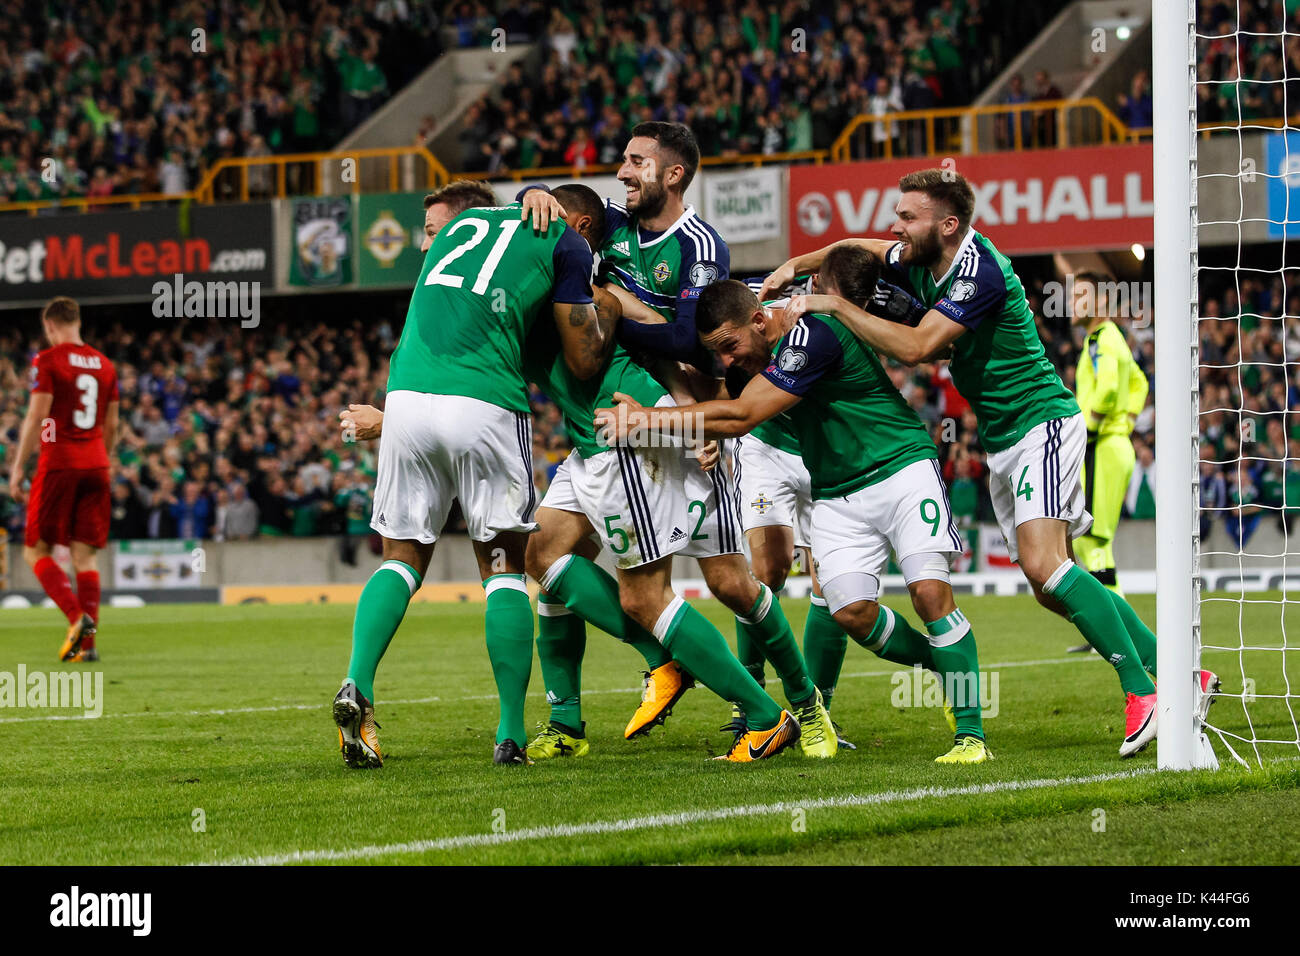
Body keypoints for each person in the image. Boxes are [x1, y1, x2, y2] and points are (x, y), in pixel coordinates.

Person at [762, 169, 1220, 756]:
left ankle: (1144, 694)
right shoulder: (918, 256)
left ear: (947, 225)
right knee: (1051, 586)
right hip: (1005, 439)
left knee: (1044, 564)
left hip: (1041, 422)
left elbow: (916, 348)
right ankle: (1181, 675)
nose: (895, 227)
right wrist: (797, 264)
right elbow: (860, 251)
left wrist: (828, 301)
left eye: (908, 216)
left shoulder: (977, 269)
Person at [597, 256, 990, 764]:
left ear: (759, 321)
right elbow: (728, 401)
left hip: (899, 467)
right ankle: (941, 665)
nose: (729, 361)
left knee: (930, 594)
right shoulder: (753, 328)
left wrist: (647, 421)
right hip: (835, 483)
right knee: (850, 611)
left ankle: (972, 735)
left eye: (732, 348)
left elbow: (741, 413)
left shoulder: (812, 332)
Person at [520, 122, 830, 759]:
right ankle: (573, 719)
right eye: (623, 161)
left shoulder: (697, 242)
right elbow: (566, 212)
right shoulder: (610, 221)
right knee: (543, 555)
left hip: (677, 424)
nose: (623, 173)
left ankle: (798, 708)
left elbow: (692, 340)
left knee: (729, 585)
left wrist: (613, 307)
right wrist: (533, 193)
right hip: (631, 418)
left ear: (674, 174)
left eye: (636, 163)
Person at [332, 180, 615, 769]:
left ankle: (358, 683)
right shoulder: (561, 237)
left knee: (400, 560)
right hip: (486, 401)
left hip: (406, 397)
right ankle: (509, 734)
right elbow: (585, 357)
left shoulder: (448, 240)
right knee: (505, 571)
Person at [8, 296, 119, 662]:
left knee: (34, 550)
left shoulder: (49, 360)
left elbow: (39, 417)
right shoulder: (105, 365)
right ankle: (89, 648)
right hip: (96, 465)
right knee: (84, 558)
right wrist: (100, 459)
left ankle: (77, 619)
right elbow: (111, 425)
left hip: (59, 464)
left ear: (50, 325)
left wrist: (18, 467)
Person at [1065, 271, 1148, 652]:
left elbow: (1111, 387)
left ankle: (1115, 629)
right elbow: (1140, 383)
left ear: (1100, 302)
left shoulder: (1102, 340)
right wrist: (1129, 418)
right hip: (1111, 444)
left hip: (1103, 448)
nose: (1071, 302)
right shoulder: (1105, 339)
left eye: (1080, 295)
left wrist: (1094, 430)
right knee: (1091, 542)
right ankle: (1113, 625)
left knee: (1093, 540)